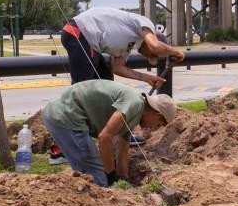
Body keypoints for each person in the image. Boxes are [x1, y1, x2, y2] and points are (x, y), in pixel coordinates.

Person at [41, 80, 178, 186]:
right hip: (65, 115)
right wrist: (111, 175)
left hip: (67, 116)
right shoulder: (134, 103)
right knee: (96, 176)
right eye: (160, 124)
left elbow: (122, 153)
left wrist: (123, 179)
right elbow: (104, 137)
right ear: (157, 114)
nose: (155, 128)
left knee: (93, 173)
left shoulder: (134, 116)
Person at [61, 7, 184, 89]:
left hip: (89, 42)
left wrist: (147, 78)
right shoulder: (146, 24)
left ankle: (100, 124)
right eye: (150, 54)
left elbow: (117, 67)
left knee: (105, 83)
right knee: (83, 89)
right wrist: (176, 51)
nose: (146, 56)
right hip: (79, 33)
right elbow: (155, 46)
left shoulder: (129, 44)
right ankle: (73, 124)